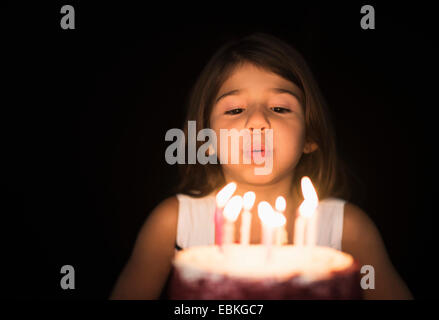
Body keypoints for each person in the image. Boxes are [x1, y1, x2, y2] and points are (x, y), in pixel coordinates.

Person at [110, 33, 413, 300]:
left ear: (310, 136)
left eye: (280, 108)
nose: (257, 121)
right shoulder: (173, 225)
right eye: (235, 109)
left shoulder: (348, 230)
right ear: (207, 140)